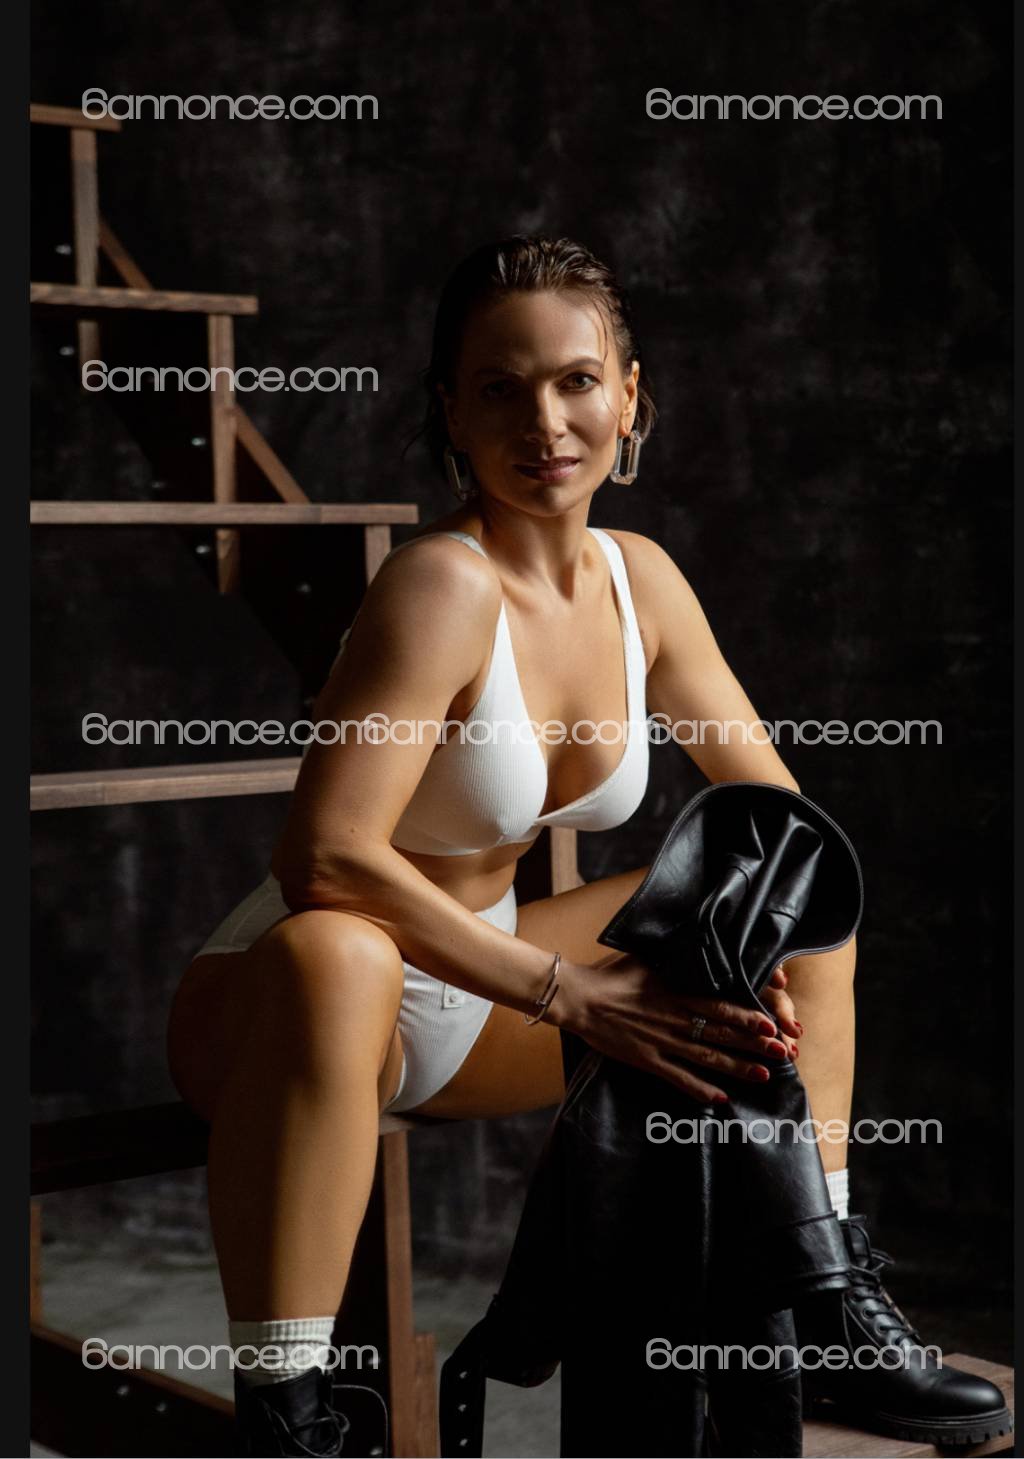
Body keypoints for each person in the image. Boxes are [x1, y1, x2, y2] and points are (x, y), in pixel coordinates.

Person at [166, 236, 1008, 1456]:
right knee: (338, 951)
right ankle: (288, 1417)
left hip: (475, 990)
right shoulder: (439, 586)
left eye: (574, 380)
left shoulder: (639, 581)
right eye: (499, 389)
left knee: (803, 917)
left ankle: (819, 1302)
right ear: (451, 413)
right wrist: (572, 994)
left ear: (628, 394)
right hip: (293, 1003)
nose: (544, 423)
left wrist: (747, 953)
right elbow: (327, 861)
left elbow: (784, 825)